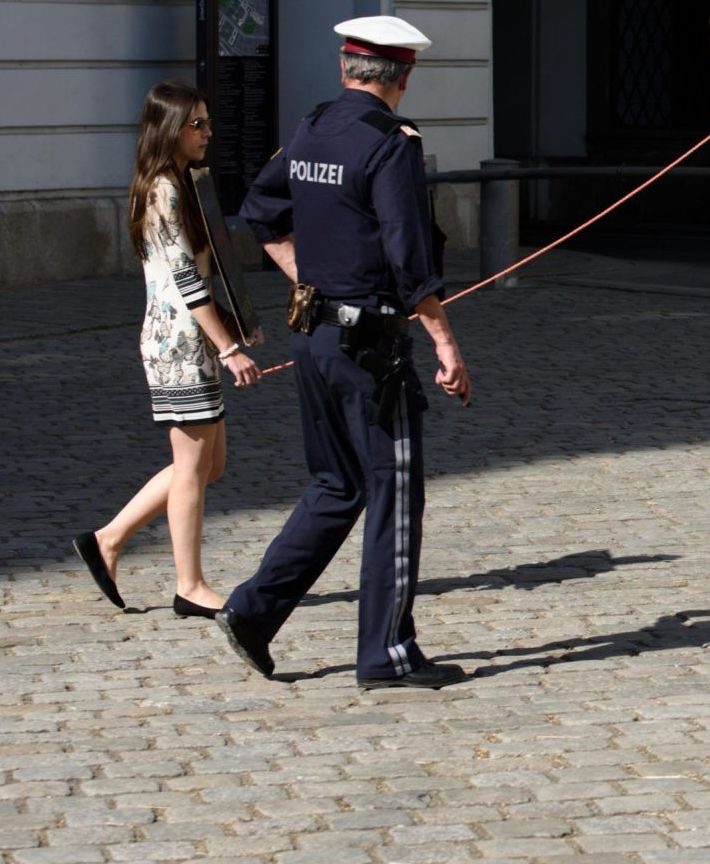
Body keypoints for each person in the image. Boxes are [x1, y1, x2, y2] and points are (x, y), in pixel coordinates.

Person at [216, 16, 472, 688]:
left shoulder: (312, 128)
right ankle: (384, 652)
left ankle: (252, 610)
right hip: (371, 349)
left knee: (338, 484)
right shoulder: (392, 145)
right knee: (394, 489)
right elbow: (409, 256)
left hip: (314, 337)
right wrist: (445, 342)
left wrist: (306, 275)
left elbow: (260, 209)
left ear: (344, 68)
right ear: (404, 75)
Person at [73, 81, 261, 619]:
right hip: (178, 342)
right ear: (169, 128)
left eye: (207, 122)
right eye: (196, 124)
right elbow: (185, 279)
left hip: (188, 338)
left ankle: (108, 539)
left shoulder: (178, 181)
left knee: (208, 464)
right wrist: (229, 348)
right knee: (192, 466)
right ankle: (190, 585)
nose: (208, 133)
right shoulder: (163, 188)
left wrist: (229, 327)